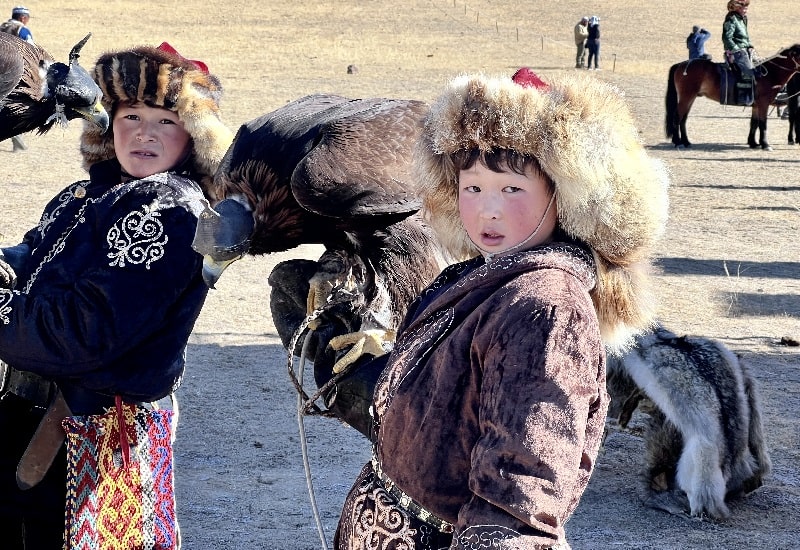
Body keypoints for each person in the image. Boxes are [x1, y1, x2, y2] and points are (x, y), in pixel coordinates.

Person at [297, 68, 670, 549]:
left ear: (566, 195)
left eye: (511, 189)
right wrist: (370, 380)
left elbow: (522, 488)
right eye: (473, 188)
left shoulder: (546, 308)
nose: (487, 209)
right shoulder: (481, 274)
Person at [0, 42, 232, 548]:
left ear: (194, 135)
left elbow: (82, 332)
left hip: (99, 439)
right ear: (108, 123)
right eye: (131, 114)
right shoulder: (83, 196)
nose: (145, 132)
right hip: (32, 419)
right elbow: (31, 257)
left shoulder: (170, 212)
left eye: (166, 120)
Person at [0, 6, 34, 152]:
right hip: (16, 74)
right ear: (23, 18)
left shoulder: (2, 28)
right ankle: (17, 140)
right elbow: (32, 52)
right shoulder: (23, 31)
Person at [722, 0, 755, 105]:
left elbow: (745, 37)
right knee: (749, 72)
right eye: (743, 8)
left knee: (761, 68)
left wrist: (750, 46)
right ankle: (743, 98)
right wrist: (736, 49)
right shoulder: (731, 18)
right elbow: (727, 38)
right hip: (737, 51)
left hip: (746, 49)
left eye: (746, 8)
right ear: (736, 8)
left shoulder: (743, 19)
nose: (745, 10)